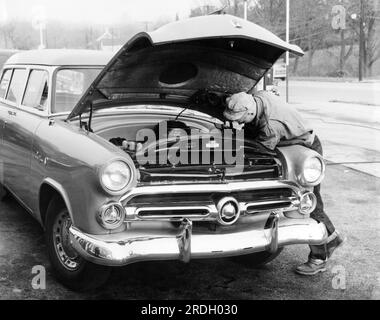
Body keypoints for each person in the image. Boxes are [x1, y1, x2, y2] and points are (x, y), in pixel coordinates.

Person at [224, 91, 345, 275]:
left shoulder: (271, 127)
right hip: (290, 140)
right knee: (311, 203)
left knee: (307, 203)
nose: (239, 122)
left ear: (249, 112)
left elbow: (260, 153)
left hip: (305, 147)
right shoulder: (258, 97)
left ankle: (320, 256)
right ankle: (331, 238)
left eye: (240, 118)